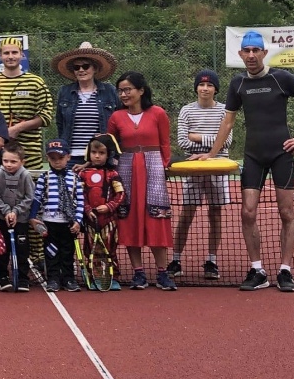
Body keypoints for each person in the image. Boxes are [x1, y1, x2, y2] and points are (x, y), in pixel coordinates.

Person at [200, 31, 294, 292]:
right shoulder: (237, 83)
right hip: (253, 155)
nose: (251, 55)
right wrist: (212, 153)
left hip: (282, 154)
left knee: (286, 212)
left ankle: (285, 271)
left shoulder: (282, 78)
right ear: (241, 54)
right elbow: (228, 120)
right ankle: (257, 270)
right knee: (247, 212)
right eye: (247, 51)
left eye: (256, 50)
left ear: (264, 53)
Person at [107, 72, 176, 291]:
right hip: (126, 168)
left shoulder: (158, 113)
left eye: (128, 89)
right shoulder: (116, 117)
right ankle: (138, 273)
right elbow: (109, 145)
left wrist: (163, 166)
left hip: (153, 167)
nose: (124, 94)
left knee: (157, 216)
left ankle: (163, 273)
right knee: (129, 216)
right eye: (121, 90)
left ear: (141, 90)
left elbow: (165, 144)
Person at [169, 70, 232, 281]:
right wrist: (213, 140)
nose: (205, 89)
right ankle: (175, 260)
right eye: (202, 85)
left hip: (219, 167)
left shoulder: (225, 110)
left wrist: (197, 136)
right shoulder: (186, 111)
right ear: (196, 87)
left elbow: (227, 141)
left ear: (215, 89)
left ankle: (211, 261)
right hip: (192, 167)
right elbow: (183, 142)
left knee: (215, 214)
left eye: (210, 85)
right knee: (186, 214)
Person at [0, 37, 54, 171]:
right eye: (6, 53)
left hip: (30, 155)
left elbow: (47, 115)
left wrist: (18, 128)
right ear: (0, 56)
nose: (10, 56)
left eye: (14, 52)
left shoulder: (36, 82)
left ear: (22, 54)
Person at [29, 138, 84, 292]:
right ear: (48, 158)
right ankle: (53, 278)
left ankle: (68, 278)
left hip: (68, 222)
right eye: (53, 159)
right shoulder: (44, 177)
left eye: (60, 158)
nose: (57, 162)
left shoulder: (75, 178)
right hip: (49, 221)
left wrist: (78, 221)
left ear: (68, 157)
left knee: (67, 251)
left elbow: (80, 201)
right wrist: (33, 218)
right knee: (51, 251)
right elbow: (37, 198)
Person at [52, 42, 121, 160]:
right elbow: (60, 123)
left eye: (85, 66)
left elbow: (119, 121)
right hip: (71, 155)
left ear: (95, 68)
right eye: (76, 67)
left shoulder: (110, 91)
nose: (81, 70)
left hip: (99, 156)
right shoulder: (65, 92)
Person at [79, 133, 125, 290]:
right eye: (94, 152)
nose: (97, 156)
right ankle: (94, 277)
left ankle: (113, 277)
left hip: (109, 221)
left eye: (101, 153)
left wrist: (109, 206)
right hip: (91, 220)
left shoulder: (113, 174)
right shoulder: (83, 174)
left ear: (109, 154)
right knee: (91, 249)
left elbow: (120, 194)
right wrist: (86, 209)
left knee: (110, 249)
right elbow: (80, 195)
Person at [0, 140, 34, 292]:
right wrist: (6, 212)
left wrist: (15, 212)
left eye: (13, 161)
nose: (9, 164)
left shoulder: (25, 175)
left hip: (20, 219)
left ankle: (23, 278)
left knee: (22, 249)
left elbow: (29, 198)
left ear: (22, 161)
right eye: (5, 161)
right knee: (3, 249)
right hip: (2, 218)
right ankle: (2, 277)